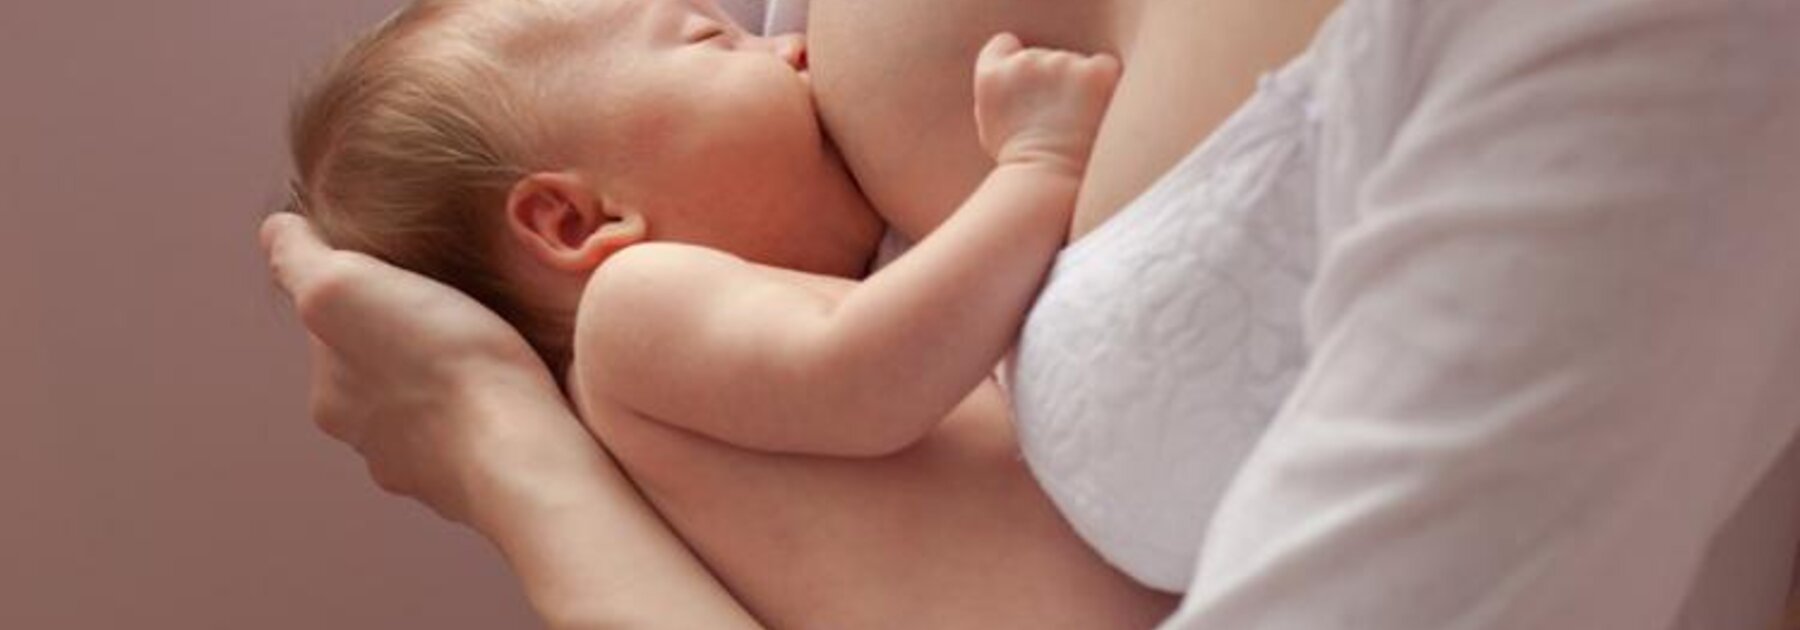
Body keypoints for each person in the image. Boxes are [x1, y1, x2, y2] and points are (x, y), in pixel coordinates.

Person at [262, 0, 1800, 628]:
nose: (778, 45)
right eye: (704, 41)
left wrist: (489, 444)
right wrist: (1034, 177)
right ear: (580, 220)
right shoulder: (643, 324)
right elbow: (867, 378)